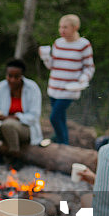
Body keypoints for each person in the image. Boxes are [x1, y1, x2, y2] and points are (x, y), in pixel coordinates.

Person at [40, 14, 95, 145]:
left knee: (54, 117)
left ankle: (63, 143)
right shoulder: (58, 43)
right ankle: (61, 140)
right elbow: (51, 66)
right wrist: (45, 57)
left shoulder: (84, 45)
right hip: (54, 86)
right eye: (60, 27)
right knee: (60, 118)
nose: (61, 30)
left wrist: (83, 79)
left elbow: (89, 67)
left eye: (65, 27)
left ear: (75, 28)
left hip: (70, 88)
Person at [0, 59, 42, 161]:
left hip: (26, 128)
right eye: (9, 76)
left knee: (8, 124)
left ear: (22, 76)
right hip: (3, 126)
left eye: (16, 77)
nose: (12, 80)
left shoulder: (32, 88)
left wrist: (14, 117)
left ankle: (16, 156)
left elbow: (34, 116)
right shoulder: (1, 86)